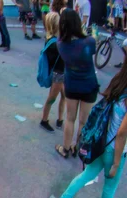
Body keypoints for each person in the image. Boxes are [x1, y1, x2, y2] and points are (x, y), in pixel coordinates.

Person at [54, 62, 127, 198]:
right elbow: (122, 133)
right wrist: (116, 163)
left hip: (101, 142)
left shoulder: (119, 82)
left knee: (87, 174)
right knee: (110, 184)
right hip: (115, 150)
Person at [55, 9, 99, 157]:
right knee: (83, 121)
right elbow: (92, 44)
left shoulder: (60, 43)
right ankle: (78, 148)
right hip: (89, 85)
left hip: (72, 85)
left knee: (70, 118)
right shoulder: (89, 42)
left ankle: (65, 148)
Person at [40, 13, 66, 132]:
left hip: (61, 73)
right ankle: (44, 120)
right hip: (58, 74)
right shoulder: (55, 43)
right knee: (52, 98)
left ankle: (60, 119)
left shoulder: (53, 39)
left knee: (64, 96)